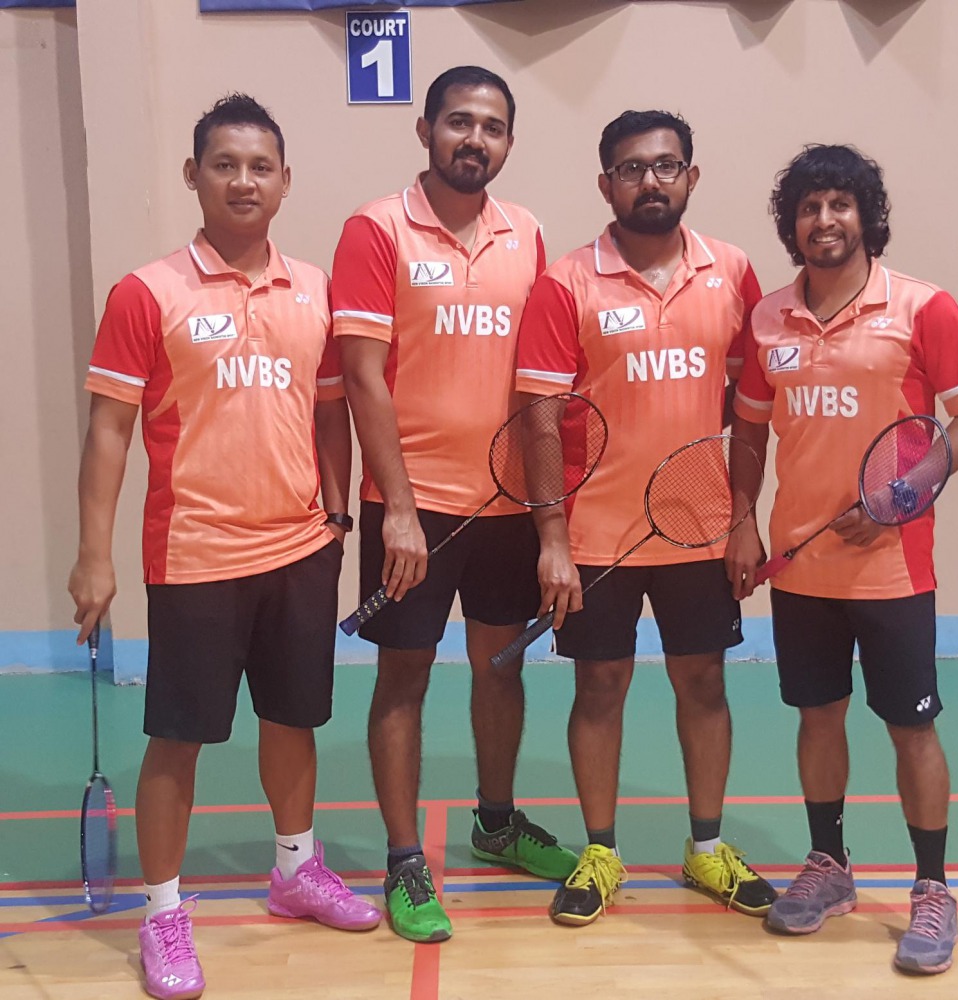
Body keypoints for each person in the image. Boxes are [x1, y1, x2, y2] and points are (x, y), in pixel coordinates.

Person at [68, 94, 379, 1000]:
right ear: (194, 176)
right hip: (196, 551)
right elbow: (109, 431)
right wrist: (94, 555)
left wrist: (333, 516)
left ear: (284, 182)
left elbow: (331, 409)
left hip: (299, 549)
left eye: (260, 167)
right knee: (178, 737)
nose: (244, 180)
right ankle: (163, 912)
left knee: (293, 720)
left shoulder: (314, 288)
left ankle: (295, 869)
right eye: (224, 164)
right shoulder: (148, 292)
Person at [728, 144, 958, 974]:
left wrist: (899, 496)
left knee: (910, 726)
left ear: (865, 216)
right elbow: (748, 431)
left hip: (891, 567)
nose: (824, 220)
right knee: (817, 717)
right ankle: (828, 865)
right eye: (808, 207)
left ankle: (931, 887)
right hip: (800, 566)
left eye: (838, 204)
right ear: (791, 224)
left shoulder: (921, 307)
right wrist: (741, 521)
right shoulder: (767, 318)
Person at [330, 66, 578, 944]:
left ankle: (496, 823)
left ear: (508, 141)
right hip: (414, 506)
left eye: (492, 126)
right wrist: (396, 508)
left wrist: (548, 517)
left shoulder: (528, 233)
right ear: (426, 129)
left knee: (500, 667)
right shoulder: (376, 229)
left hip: (505, 505)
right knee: (403, 676)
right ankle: (405, 860)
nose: (475, 139)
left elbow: (538, 381)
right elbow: (362, 377)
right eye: (459, 121)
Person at [514, 109, 777, 926]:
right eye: (631, 169)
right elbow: (538, 419)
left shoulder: (732, 271)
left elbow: (751, 410)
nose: (650, 181)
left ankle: (706, 848)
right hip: (597, 533)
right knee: (599, 685)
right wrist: (551, 539)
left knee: (703, 682)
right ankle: (600, 850)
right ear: (606, 185)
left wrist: (743, 517)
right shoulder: (566, 282)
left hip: (699, 526)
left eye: (665, 166)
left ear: (690, 176)